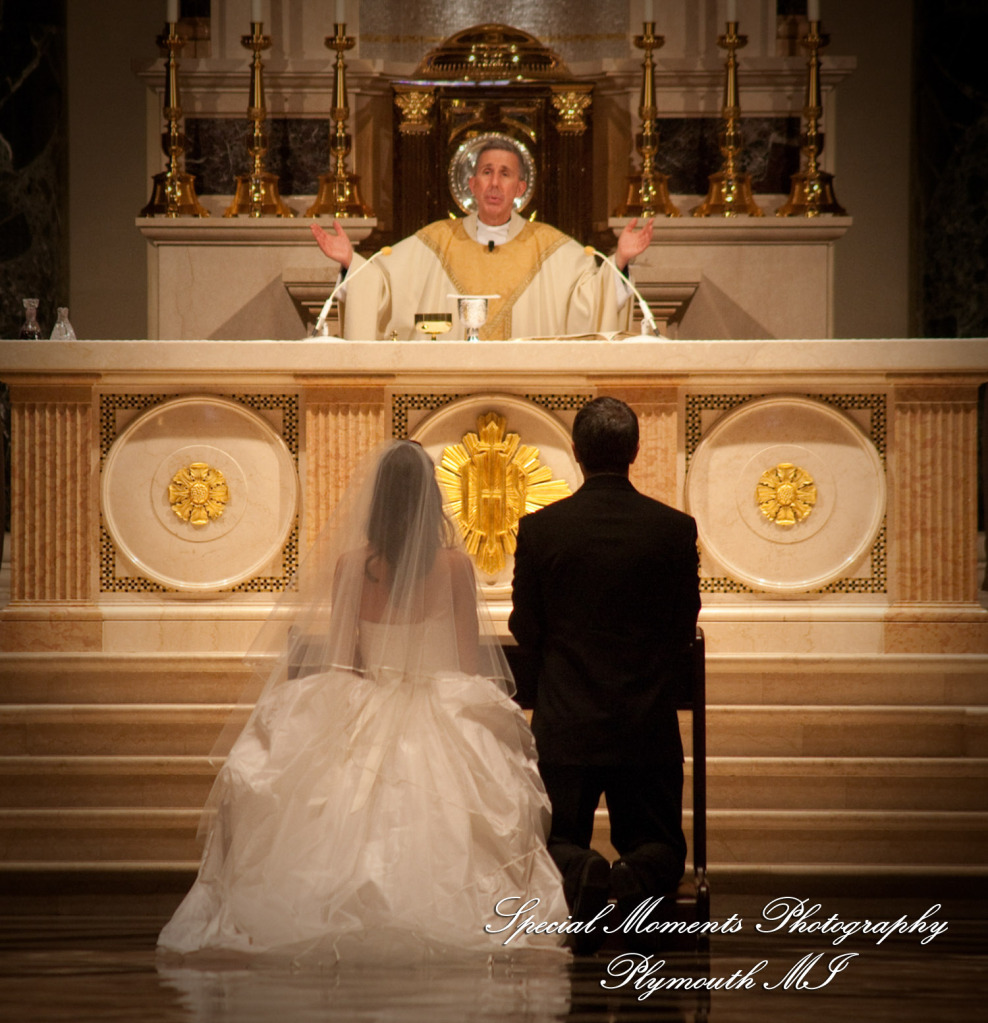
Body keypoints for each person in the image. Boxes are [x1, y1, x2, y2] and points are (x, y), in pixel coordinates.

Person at [158, 440, 569, 963]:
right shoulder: (455, 568)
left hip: (366, 697)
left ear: (377, 500)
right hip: (442, 706)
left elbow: (345, 663)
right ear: (430, 498)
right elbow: (470, 668)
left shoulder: (354, 565)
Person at [509, 397, 701, 951]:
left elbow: (527, 627)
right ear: (635, 451)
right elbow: (680, 628)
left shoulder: (542, 530)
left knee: (553, 841)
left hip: (567, 724)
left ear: (576, 453)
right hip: (645, 725)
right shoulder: (673, 530)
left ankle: (585, 870)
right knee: (663, 844)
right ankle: (634, 877)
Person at [310, 139, 654, 340]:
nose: (494, 184)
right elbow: (380, 285)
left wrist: (620, 260)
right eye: (487, 173)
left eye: (505, 175)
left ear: (521, 190)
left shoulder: (551, 246)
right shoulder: (436, 240)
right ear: (472, 185)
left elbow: (593, 299)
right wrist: (349, 262)